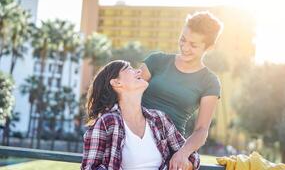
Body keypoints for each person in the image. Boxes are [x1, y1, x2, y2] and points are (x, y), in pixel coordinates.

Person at [81, 60, 200, 170]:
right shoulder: (106, 122)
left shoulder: (159, 119)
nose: (139, 71)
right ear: (117, 82)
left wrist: (182, 158)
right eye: (129, 68)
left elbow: (193, 157)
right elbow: (89, 168)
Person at [140, 11, 223, 168]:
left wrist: (183, 153)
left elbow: (201, 129)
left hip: (169, 142)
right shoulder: (157, 61)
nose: (185, 47)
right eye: (183, 40)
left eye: (193, 45)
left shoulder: (209, 82)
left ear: (209, 47)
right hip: (136, 131)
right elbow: (127, 92)